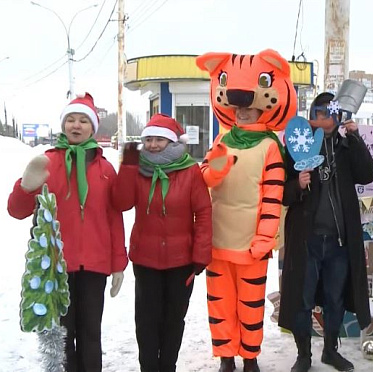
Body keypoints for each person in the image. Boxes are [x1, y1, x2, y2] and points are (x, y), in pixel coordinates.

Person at [7, 93, 127, 372]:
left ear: (92, 127)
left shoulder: (105, 168)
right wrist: (26, 187)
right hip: (55, 266)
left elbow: (114, 218)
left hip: (94, 265)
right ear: (63, 124)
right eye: (71, 119)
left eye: (83, 121)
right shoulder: (46, 162)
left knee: (90, 333)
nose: (76, 125)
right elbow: (16, 210)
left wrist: (119, 262)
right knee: (62, 335)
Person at [196, 49, 297, 372]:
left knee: (250, 306)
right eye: (238, 109)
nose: (242, 114)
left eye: (249, 109)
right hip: (218, 239)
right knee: (220, 304)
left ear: (259, 110)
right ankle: (226, 355)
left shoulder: (270, 147)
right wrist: (215, 169)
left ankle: (250, 355)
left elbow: (273, 196)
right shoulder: (222, 138)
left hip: (252, 243)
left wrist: (264, 239)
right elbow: (204, 182)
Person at [278, 92, 373, 372]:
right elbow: (282, 193)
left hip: (340, 240)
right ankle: (304, 355)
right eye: (319, 113)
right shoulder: (298, 147)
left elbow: (367, 174)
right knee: (302, 299)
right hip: (306, 239)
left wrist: (355, 139)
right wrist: (298, 185)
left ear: (338, 115)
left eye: (329, 113)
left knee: (335, 298)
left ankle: (330, 350)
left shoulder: (346, 147)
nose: (324, 119)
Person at [111, 113, 212, 372]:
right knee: (146, 320)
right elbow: (121, 203)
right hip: (146, 259)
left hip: (182, 260)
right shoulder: (138, 168)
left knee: (173, 320)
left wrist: (201, 254)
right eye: (149, 140)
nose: (153, 145)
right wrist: (128, 166)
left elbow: (203, 211)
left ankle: (168, 366)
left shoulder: (190, 170)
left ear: (171, 142)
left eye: (159, 139)